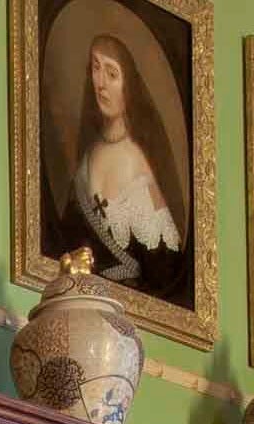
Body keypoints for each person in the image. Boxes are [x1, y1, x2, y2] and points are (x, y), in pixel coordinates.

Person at [55, 31, 185, 301]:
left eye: (112, 74)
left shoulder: (138, 162)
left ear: (129, 86)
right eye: (96, 68)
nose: (100, 83)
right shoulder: (88, 154)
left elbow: (161, 269)